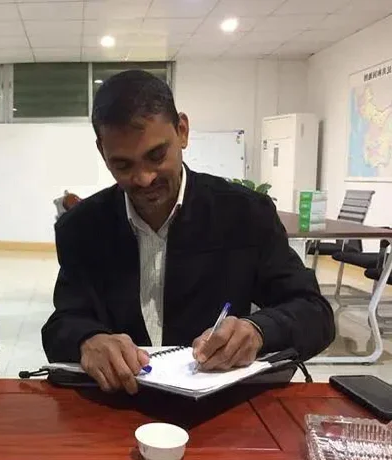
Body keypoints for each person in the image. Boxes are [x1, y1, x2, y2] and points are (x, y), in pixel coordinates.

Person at [41, 70, 335, 395]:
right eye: (123, 165)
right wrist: (87, 340)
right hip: (118, 401)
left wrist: (258, 330)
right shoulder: (81, 227)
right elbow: (64, 321)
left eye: (156, 155)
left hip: (218, 406)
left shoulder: (245, 214)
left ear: (182, 131)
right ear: (102, 151)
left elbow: (315, 313)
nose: (144, 178)